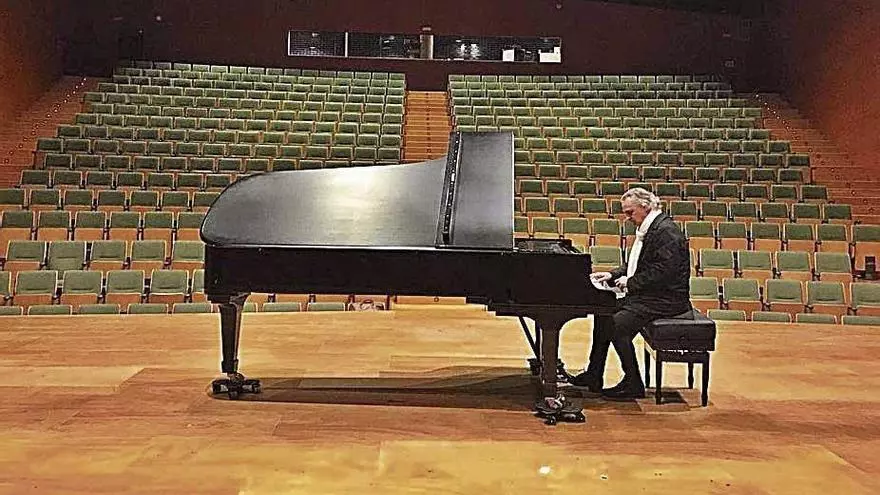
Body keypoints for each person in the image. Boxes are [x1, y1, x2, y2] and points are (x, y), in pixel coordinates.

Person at [569, 187, 692, 399]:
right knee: (602, 313)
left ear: (646, 207)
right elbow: (638, 264)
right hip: (650, 296)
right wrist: (612, 274)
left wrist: (631, 283)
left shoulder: (666, 232)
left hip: (665, 300)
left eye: (630, 212)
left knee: (616, 326)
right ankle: (594, 374)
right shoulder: (652, 228)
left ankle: (633, 383)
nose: (627, 218)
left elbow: (664, 271)